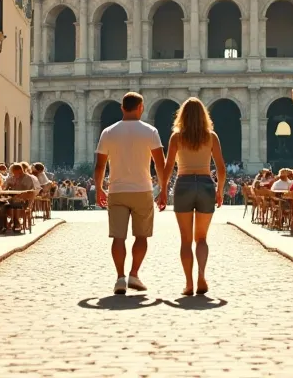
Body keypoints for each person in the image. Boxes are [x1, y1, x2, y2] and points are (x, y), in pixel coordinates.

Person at [94, 92, 166, 296]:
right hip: (142, 189)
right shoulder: (150, 131)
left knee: (118, 237)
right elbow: (160, 163)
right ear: (141, 107)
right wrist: (162, 189)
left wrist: (99, 188)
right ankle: (134, 273)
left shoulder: (108, 132)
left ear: (122, 108)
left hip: (116, 190)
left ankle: (120, 278)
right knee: (141, 235)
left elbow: (100, 165)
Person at [160, 97, 226, 296]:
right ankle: (202, 276)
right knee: (202, 238)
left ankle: (189, 283)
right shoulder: (211, 136)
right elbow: (221, 169)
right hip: (205, 183)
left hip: (184, 183)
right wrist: (220, 190)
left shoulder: (176, 137)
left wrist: (163, 191)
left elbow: (168, 167)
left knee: (185, 240)